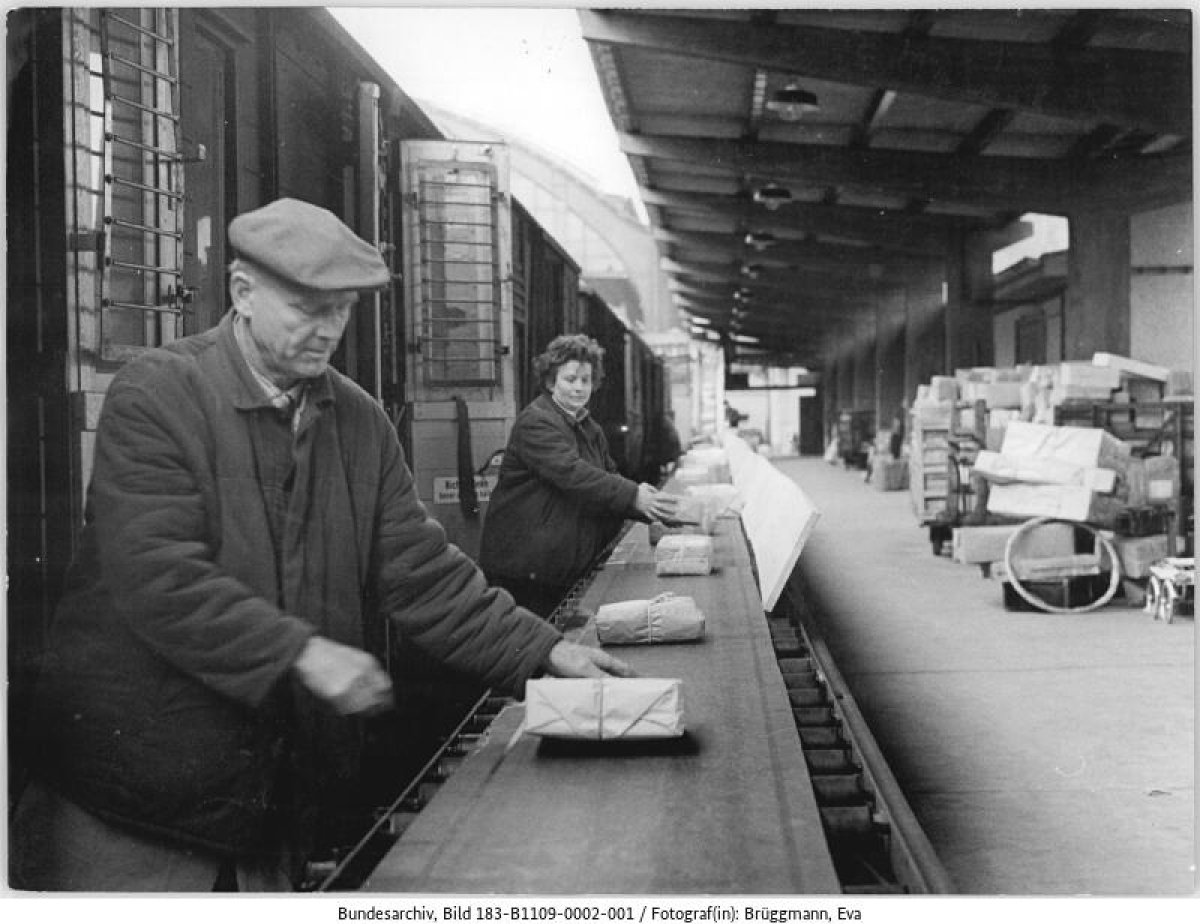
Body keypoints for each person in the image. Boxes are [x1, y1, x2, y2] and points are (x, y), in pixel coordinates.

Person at [9, 199, 633, 892]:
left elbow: (424, 575)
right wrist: (302, 653)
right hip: (126, 812)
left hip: (262, 814)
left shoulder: (359, 423)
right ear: (243, 292)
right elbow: (160, 576)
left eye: (341, 310)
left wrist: (542, 651)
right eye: (308, 308)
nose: (328, 329)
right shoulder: (158, 395)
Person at [479, 335, 677, 618]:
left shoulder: (587, 427)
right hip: (525, 570)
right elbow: (574, 474)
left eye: (586, 380)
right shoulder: (536, 422)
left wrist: (651, 507)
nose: (579, 387)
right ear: (551, 382)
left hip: (553, 566)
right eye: (570, 379)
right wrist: (634, 496)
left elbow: (608, 476)